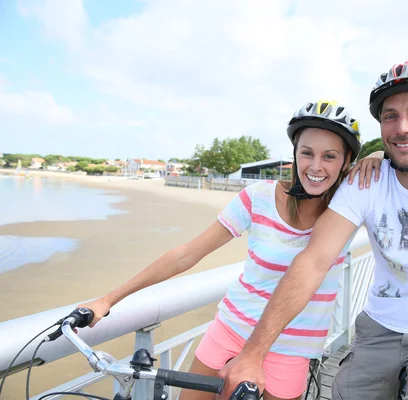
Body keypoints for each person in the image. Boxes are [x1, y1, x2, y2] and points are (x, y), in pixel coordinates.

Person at [219, 61, 408, 400]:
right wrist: (253, 354)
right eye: (390, 116)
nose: (403, 127)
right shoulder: (367, 181)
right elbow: (313, 261)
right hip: (378, 330)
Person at [78, 99, 383, 400]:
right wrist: (108, 299)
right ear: (295, 154)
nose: (316, 166)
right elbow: (187, 254)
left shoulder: (350, 205)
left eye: (329, 156)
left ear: (346, 162)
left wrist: (379, 155)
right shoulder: (259, 198)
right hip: (230, 329)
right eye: (307, 153)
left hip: (292, 348)